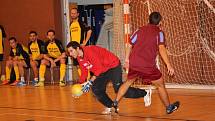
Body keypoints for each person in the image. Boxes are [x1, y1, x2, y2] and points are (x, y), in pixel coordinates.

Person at [112, 12, 180, 114]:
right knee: (160, 85)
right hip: (147, 66)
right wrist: (168, 65)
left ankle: (115, 102)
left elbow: (130, 45)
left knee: (128, 82)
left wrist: (127, 60)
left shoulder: (139, 30)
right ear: (160, 22)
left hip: (134, 63)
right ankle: (169, 107)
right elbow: (161, 48)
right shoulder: (159, 33)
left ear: (149, 20)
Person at [66, 41, 151, 114]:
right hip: (102, 71)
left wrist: (90, 82)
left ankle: (145, 93)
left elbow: (99, 68)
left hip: (113, 66)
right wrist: (80, 87)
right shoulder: (79, 58)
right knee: (96, 89)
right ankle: (111, 106)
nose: (70, 54)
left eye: (71, 51)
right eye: (69, 52)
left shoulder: (89, 51)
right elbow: (84, 71)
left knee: (119, 89)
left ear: (77, 48)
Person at [70, 7, 92, 82]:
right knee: (77, 65)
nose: (72, 15)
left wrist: (85, 42)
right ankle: (84, 80)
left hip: (80, 48)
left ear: (78, 14)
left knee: (84, 63)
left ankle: (88, 79)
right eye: (71, 13)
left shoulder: (81, 23)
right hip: (73, 49)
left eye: (74, 13)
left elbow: (89, 31)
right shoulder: (71, 24)